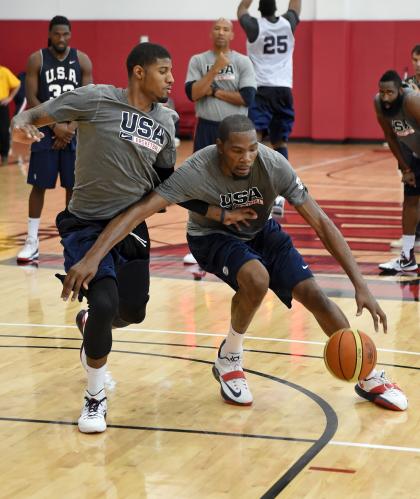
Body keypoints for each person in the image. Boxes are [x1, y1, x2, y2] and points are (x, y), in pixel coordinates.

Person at [59, 115, 408, 413]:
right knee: (256, 278)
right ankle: (230, 358)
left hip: (261, 231)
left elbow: (321, 223)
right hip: (212, 237)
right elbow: (139, 211)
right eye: (238, 150)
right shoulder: (197, 169)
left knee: (315, 296)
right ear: (220, 146)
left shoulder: (273, 165)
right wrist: (93, 257)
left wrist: (361, 285)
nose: (247, 157)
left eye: (253, 148)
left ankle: (366, 374)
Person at [12, 43, 254, 433]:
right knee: (106, 301)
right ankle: (94, 398)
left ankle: (90, 323)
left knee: (133, 311)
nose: (172, 79)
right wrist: (22, 127)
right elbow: (33, 115)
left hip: (131, 226)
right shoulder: (95, 100)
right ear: (139, 72)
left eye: (172, 71)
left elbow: (165, 184)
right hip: (85, 223)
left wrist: (216, 212)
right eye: (164, 70)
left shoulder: (167, 121)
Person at [17, 16, 93, 263]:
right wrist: (55, 127)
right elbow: (32, 97)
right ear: (50, 34)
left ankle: (71, 242)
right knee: (38, 187)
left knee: (73, 189)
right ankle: (32, 241)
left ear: (70, 35)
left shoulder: (81, 60)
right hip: (44, 133)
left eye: (66, 34)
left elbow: (87, 100)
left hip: (72, 134)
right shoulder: (36, 59)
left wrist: (69, 128)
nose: (61, 39)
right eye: (57, 34)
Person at [183, 17, 257, 264]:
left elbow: (246, 98)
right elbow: (193, 93)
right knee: (202, 182)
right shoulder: (198, 60)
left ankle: (243, 236)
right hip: (206, 128)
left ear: (233, 34)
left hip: (236, 131)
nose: (221, 32)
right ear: (211, 32)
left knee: (239, 182)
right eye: (217, 28)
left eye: (226, 29)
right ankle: (200, 240)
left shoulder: (243, 62)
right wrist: (215, 69)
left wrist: (213, 90)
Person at [375, 70, 420, 273]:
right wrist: (406, 168)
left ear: (400, 90)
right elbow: (391, 137)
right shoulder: (379, 103)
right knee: (410, 200)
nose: (385, 97)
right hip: (412, 152)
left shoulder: (411, 101)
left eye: (390, 93)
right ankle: (407, 257)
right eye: (382, 92)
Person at [391, 46, 420, 251]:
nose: (417, 64)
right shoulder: (406, 87)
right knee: (411, 196)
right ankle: (411, 239)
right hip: (412, 147)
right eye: (415, 60)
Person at [0, 64, 21, 165]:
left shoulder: (4, 71)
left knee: (4, 131)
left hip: (2, 106)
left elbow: (17, 84)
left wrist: (10, 98)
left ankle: (4, 156)